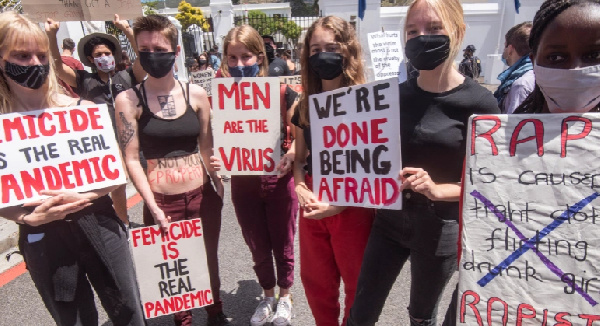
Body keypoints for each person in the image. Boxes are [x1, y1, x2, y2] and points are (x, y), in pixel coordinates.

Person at [347, 0, 499, 325]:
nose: (421, 38)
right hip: (387, 222)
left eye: (433, 29)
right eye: (412, 31)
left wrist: (436, 189)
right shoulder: (392, 96)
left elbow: (489, 184)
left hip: (439, 229)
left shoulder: (482, 104)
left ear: (458, 32)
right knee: (360, 312)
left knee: (421, 317)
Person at [0, 11, 145, 326]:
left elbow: (116, 171)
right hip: (43, 237)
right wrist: (24, 216)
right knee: (73, 319)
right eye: (21, 56)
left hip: (100, 223)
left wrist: (86, 193)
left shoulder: (81, 111)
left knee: (129, 312)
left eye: (41, 55)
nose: (35, 63)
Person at [114, 14, 228, 326]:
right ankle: (184, 319)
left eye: (159, 48)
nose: (152, 54)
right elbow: (132, 159)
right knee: (174, 265)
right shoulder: (128, 99)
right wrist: (151, 205)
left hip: (202, 196)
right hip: (162, 201)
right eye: (144, 49)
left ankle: (216, 312)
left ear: (176, 52)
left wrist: (217, 178)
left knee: (207, 259)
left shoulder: (197, 94)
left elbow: (206, 146)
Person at [292, 16, 375, 326]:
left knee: (356, 281)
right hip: (313, 199)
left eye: (331, 47)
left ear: (347, 50)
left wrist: (339, 205)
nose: (322, 55)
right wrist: (300, 187)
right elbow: (300, 160)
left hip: (353, 202)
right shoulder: (304, 105)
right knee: (316, 282)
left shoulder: (368, 102)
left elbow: (376, 167)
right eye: (315, 49)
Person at [215, 24, 299, 326]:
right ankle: (267, 295)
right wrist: (217, 158)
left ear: (260, 57)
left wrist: (291, 154)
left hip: (278, 179)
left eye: (246, 57)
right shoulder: (222, 98)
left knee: (283, 241)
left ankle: (285, 296)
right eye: (232, 58)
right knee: (256, 243)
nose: (239, 65)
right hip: (243, 182)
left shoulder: (280, 92)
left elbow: (299, 133)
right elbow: (216, 137)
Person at [46, 14, 145, 226]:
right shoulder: (84, 80)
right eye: (98, 54)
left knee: (145, 178)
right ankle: (123, 224)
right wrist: (52, 36)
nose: (103, 57)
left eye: (107, 53)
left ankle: (154, 218)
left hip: (134, 139)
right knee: (118, 186)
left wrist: (128, 30)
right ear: (91, 59)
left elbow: (144, 60)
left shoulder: (127, 76)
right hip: (106, 143)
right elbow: (57, 67)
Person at [514, 0, 600, 114]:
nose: (574, 70)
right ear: (533, 62)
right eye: (556, 57)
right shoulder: (506, 131)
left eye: (594, 55)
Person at [495, 22, 535, 114]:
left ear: (510, 49)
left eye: (504, 46)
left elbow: (514, 124)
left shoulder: (520, 84)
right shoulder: (539, 75)